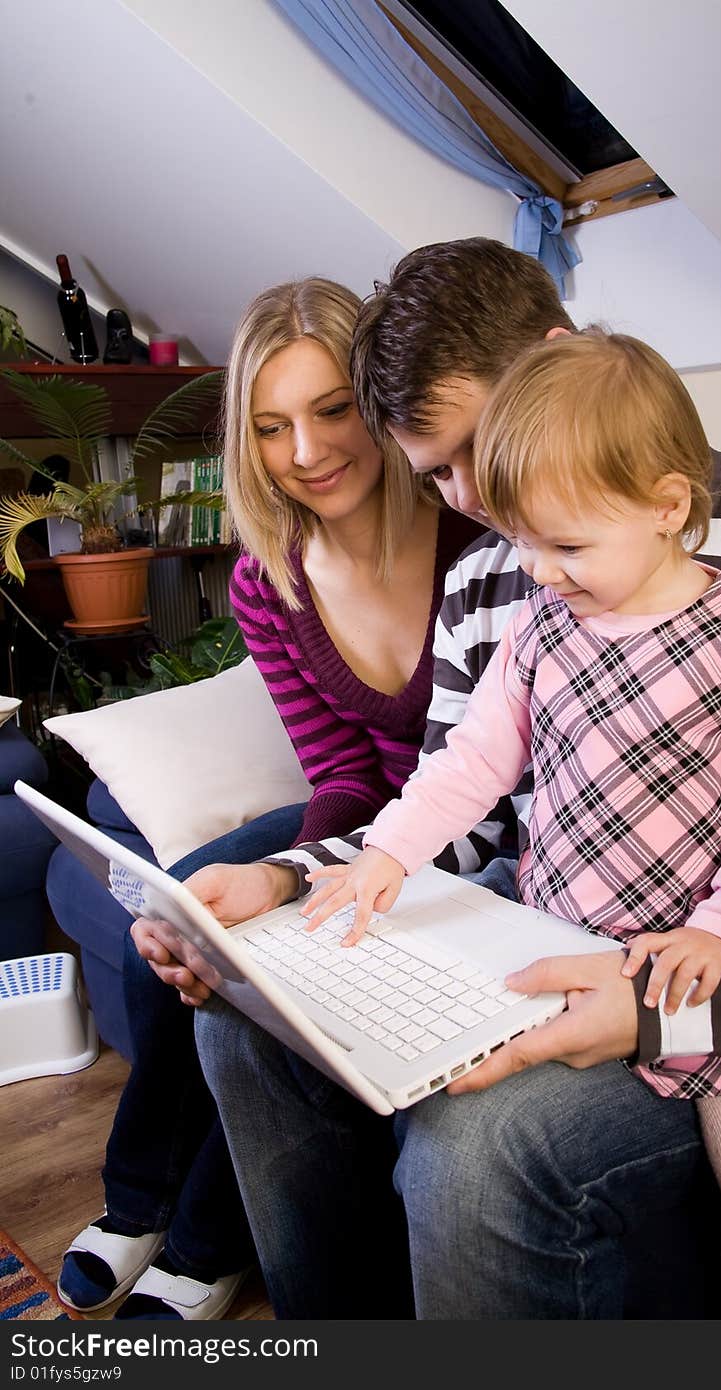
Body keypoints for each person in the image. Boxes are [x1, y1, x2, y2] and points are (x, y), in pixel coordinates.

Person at [136, 239, 721, 1319]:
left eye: (484, 445)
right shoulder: (499, 576)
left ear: (561, 360)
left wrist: (656, 1010)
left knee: (475, 1146)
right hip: (558, 930)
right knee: (243, 1021)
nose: (480, 499)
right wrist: (290, 881)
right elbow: (467, 804)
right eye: (437, 472)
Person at [301, 329, 721, 1319]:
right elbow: (471, 763)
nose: (540, 572)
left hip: (690, 969)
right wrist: (388, 851)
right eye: (524, 543)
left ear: (667, 506)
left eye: (569, 544)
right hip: (552, 944)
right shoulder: (541, 626)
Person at [57, 277, 481, 1320]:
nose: (306, 451)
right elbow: (335, 769)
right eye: (271, 425)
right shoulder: (268, 577)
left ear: (380, 400)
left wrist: (300, 884)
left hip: (452, 825)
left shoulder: (473, 532)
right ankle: (136, 1202)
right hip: (356, 808)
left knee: (263, 972)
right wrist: (275, 872)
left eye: (332, 409)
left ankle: (204, 1245)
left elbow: (481, 779)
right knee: (185, 910)